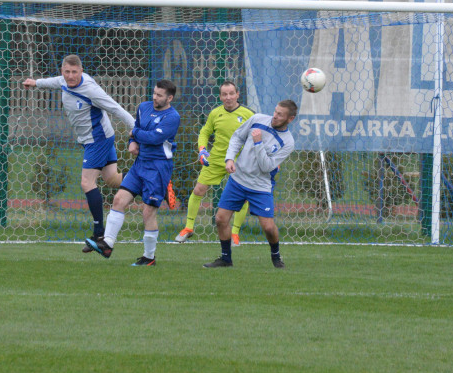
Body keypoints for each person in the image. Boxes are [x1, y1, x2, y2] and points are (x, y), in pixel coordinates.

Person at [22, 55, 136, 252]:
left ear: (81, 71)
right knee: (112, 180)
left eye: (75, 72)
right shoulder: (64, 81)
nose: (70, 76)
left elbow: (116, 108)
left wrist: (136, 130)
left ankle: (99, 234)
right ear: (63, 71)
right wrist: (35, 83)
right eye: (67, 72)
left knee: (86, 182)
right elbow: (54, 82)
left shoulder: (90, 90)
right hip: (96, 138)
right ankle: (147, 179)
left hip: (97, 139)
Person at [86, 80, 180, 265]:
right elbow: (137, 132)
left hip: (158, 168)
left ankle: (149, 257)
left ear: (170, 98)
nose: (154, 97)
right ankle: (107, 244)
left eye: (160, 95)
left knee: (148, 212)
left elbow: (154, 137)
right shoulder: (143, 107)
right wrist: (132, 142)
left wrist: (134, 135)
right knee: (119, 200)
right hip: (140, 165)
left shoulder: (172, 116)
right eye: (154, 93)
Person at [203, 100, 297, 269]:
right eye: (275, 111)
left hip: (260, 186)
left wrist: (258, 143)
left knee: (268, 227)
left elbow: (267, 166)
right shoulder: (258, 119)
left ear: (290, 119)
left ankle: (275, 255)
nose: (275, 116)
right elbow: (237, 137)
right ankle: (226, 259)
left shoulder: (288, 142)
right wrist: (230, 158)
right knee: (220, 219)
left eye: (280, 114)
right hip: (237, 180)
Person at [175, 81, 255, 246]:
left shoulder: (248, 114)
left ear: (237, 94)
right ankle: (188, 228)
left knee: (243, 198)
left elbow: (259, 135)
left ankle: (234, 233)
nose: (228, 97)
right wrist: (202, 149)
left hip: (240, 161)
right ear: (220, 96)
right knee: (198, 190)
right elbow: (205, 132)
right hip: (217, 158)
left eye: (231, 93)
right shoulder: (215, 113)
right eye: (224, 94)